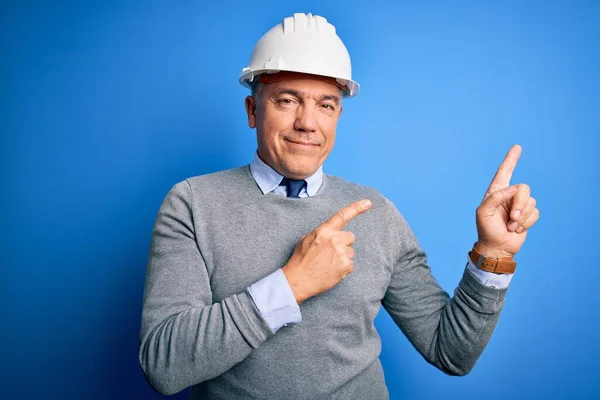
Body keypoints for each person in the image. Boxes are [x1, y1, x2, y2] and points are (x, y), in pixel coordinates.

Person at [138, 13, 539, 399]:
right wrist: (291, 284)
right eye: (287, 100)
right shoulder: (192, 203)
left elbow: (450, 352)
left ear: (338, 115)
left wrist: (493, 254)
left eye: (326, 105)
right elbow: (164, 366)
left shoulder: (375, 212)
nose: (307, 123)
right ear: (252, 111)